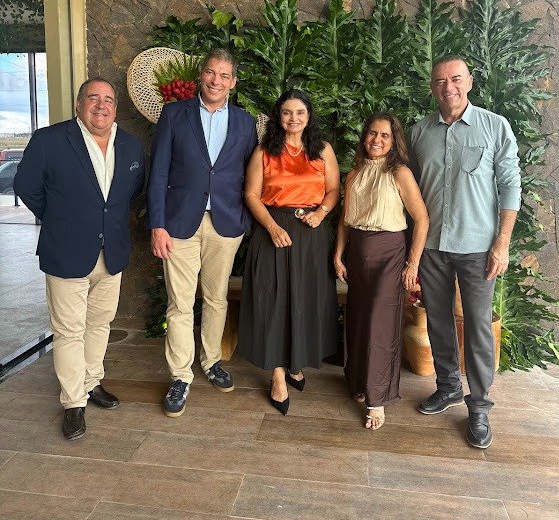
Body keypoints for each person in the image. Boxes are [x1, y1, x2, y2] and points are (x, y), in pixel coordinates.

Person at [14, 77, 145, 440]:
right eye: (93, 98)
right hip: (66, 250)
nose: (101, 105)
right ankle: (74, 402)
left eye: (108, 99)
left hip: (111, 252)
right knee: (69, 330)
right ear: (79, 104)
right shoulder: (50, 140)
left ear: (115, 107)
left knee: (99, 323)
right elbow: (26, 186)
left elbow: (131, 192)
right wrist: (60, 218)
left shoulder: (131, 145)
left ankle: (92, 382)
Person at [409, 56, 521, 449]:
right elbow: (411, 191)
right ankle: (448, 387)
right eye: (440, 81)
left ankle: (479, 407)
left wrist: (502, 243)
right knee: (438, 321)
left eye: (455, 79)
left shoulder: (495, 126)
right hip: (432, 247)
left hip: (478, 249)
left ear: (469, 81)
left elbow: (511, 185)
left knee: (477, 326)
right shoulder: (419, 132)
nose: (448, 87)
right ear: (432, 87)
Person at [147, 48, 257, 417]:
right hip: (178, 225)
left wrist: (246, 220)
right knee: (180, 303)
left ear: (233, 83)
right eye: (211, 72)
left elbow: (251, 175)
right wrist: (157, 224)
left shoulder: (245, 123)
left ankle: (211, 361)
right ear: (201, 75)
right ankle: (181, 375)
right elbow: (158, 172)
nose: (216, 81)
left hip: (226, 224)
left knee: (216, 298)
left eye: (224, 76)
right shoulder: (174, 114)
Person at [238, 89, 340, 415]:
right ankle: (278, 375)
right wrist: (271, 227)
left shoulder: (323, 150)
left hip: (311, 231)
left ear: (309, 116)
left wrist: (322, 213)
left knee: (306, 300)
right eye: (286, 112)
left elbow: (334, 189)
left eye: (299, 112)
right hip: (273, 229)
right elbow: (251, 195)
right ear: (277, 116)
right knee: (273, 302)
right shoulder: (264, 151)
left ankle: (297, 362)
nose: (293, 118)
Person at [333, 113, 429, 429]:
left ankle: (377, 399)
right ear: (365, 137)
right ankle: (359, 381)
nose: (377, 139)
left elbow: (422, 219)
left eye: (384, 135)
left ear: (393, 141)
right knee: (359, 319)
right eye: (372, 133)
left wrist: (412, 263)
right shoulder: (354, 173)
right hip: (358, 253)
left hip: (390, 253)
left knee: (380, 324)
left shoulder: (400, 173)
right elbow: (345, 220)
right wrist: (338, 255)